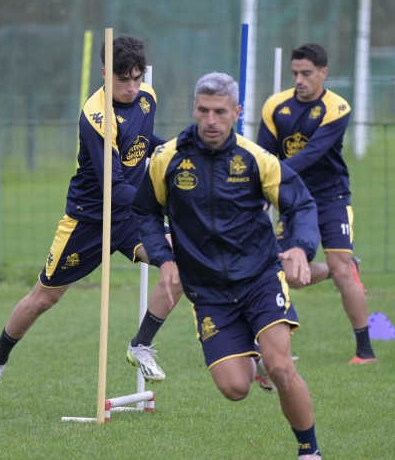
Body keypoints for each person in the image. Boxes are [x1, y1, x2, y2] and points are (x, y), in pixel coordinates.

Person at [0, 36, 182, 406]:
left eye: (137, 77)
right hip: (88, 220)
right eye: (123, 80)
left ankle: (142, 344)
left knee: (180, 261)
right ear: (105, 74)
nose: (132, 87)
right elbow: (113, 186)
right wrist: (164, 206)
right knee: (44, 299)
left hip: (129, 219)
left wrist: (177, 151)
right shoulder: (96, 116)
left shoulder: (147, 97)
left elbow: (143, 138)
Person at [133, 72, 322, 460]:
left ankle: (309, 451)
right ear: (194, 109)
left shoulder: (256, 159)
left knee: (281, 366)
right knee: (235, 388)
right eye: (203, 111)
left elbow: (300, 202)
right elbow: (144, 212)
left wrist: (302, 247)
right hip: (209, 293)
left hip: (259, 278)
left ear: (236, 112)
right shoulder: (167, 158)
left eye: (220, 112)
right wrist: (164, 258)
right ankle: (255, 357)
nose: (211, 120)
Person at [257, 43, 375, 364]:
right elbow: (263, 155)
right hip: (293, 201)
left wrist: (266, 175)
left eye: (307, 74)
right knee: (288, 274)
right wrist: (259, 196)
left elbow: (309, 156)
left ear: (324, 73)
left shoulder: (337, 108)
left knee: (341, 274)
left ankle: (365, 351)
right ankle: (342, 269)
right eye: (295, 73)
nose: (299, 80)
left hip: (331, 198)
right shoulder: (275, 106)